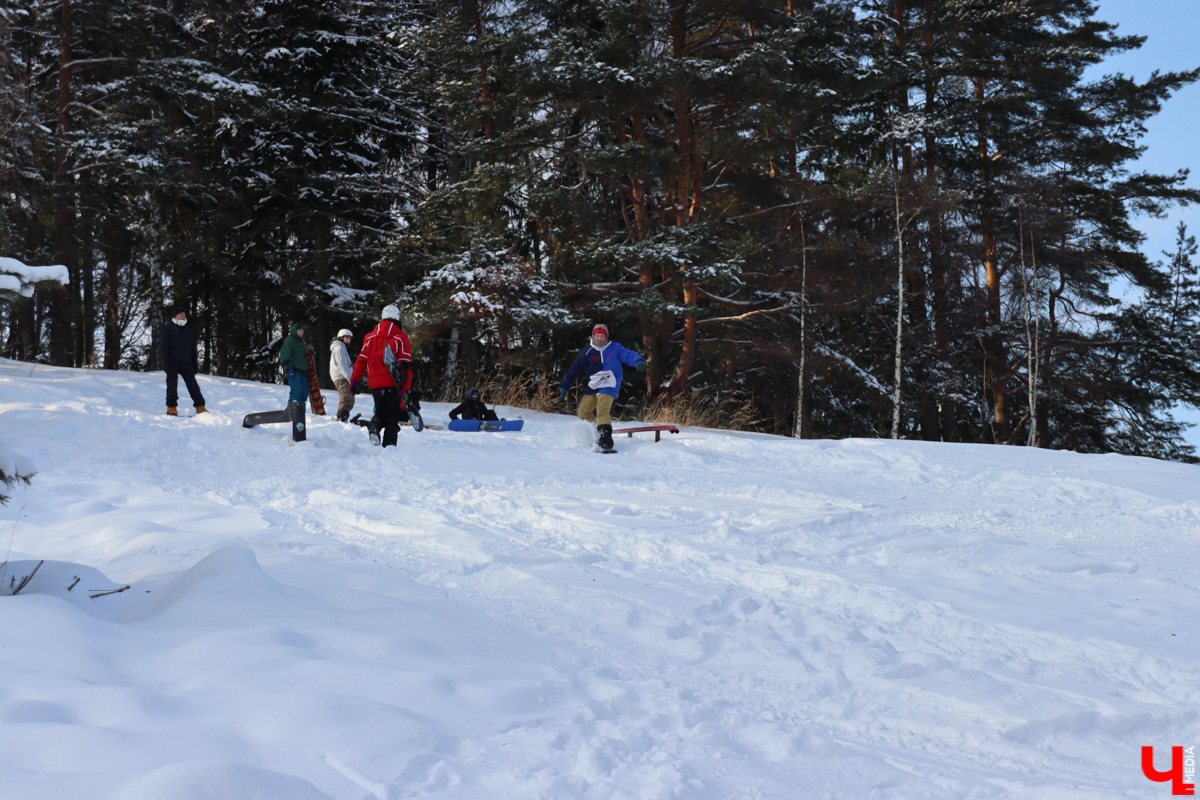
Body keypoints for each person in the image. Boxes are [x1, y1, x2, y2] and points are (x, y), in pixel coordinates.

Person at [559, 323, 645, 450]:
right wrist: (565, 386)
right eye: (597, 336)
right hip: (594, 384)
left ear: (606, 337)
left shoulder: (615, 348)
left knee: (602, 409)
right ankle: (594, 434)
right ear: (593, 336)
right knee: (583, 411)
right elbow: (575, 369)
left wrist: (638, 360)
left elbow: (628, 355)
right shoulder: (587, 352)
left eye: (602, 336)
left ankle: (605, 437)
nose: (599, 339)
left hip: (610, 382)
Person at [349, 304, 412, 448]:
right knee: (392, 418)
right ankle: (389, 447)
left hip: (375, 384)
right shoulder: (401, 338)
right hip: (393, 384)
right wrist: (405, 388)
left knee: (381, 412)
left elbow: (361, 360)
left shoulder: (369, 337)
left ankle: (375, 425)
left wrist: (354, 381)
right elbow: (406, 364)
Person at [160, 306, 207, 416]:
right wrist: (165, 360)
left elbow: (193, 347)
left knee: (193, 386)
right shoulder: (167, 329)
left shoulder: (189, 330)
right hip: (172, 363)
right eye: (180, 314)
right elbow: (164, 346)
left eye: (184, 314)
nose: (183, 315)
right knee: (172, 386)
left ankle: (200, 407)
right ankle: (171, 408)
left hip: (187, 363)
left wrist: (195, 362)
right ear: (175, 316)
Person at [279, 321, 311, 410]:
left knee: (304, 394)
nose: (301, 332)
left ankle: (301, 413)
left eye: (302, 331)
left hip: (303, 372)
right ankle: (292, 413)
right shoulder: (289, 340)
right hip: (294, 371)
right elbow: (285, 354)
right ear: (294, 331)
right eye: (299, 331)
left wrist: (309, 352)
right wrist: (288, 367)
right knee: (296, 393)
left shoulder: (301, 344)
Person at [329, 328, 355, 422]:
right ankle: (341, 417)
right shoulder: (339, 348)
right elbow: (342, 364)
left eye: (349, 338)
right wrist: (349, 377)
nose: (348, 340)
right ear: (341, 337)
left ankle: (344, 416)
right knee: (346, 398)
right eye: (346, 338)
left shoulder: (342, 347)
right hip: (341, 377)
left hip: (343, 376)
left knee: (350, 398)